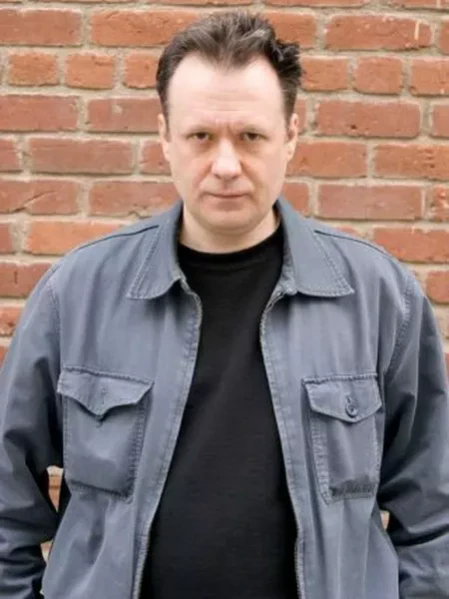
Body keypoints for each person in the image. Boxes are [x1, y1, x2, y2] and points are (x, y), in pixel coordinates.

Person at [0, 10, 448, 599]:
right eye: (202, 137)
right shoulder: (78, 294)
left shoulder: (379, 298)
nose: (227, 166)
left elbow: (433, 513)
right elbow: (6, 498)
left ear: (291, 134)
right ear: (165, 137)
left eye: (251, 137)